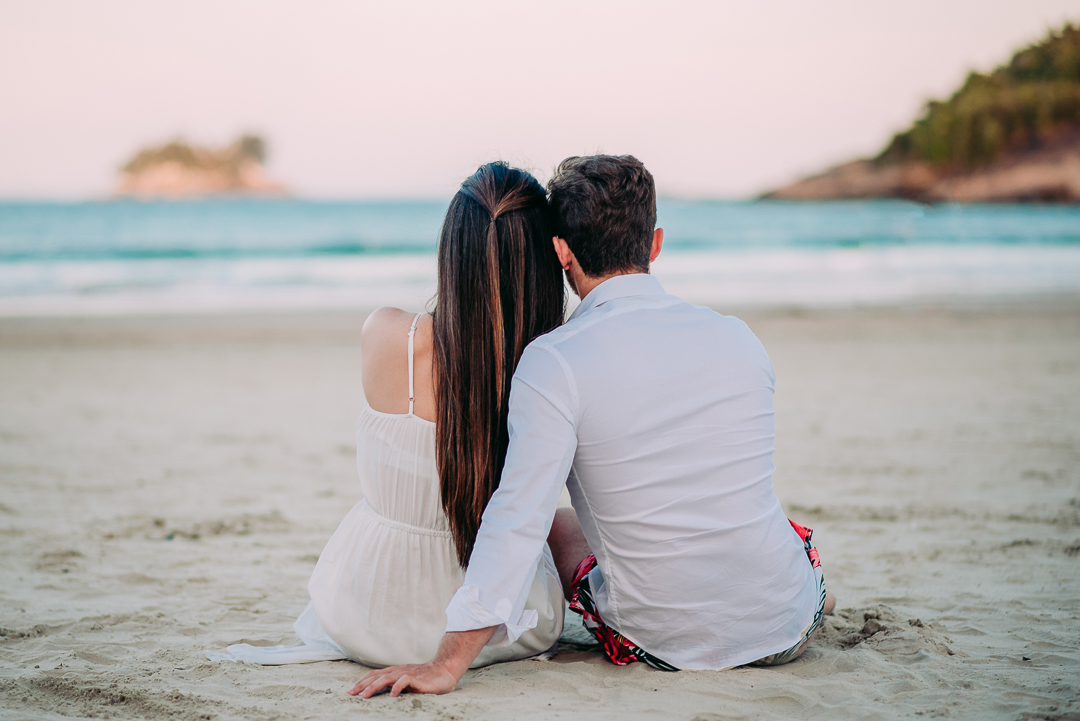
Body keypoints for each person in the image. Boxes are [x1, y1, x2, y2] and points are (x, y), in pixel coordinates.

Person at [350, 154, 835, 698]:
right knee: (756, 511)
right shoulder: (739, 337)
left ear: (562, 252)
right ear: (654, 244)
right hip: (790, 624)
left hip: (665, 646)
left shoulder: (554, 362)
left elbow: (518, 519)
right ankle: (806, 594)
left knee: (556, 528)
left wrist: (447, 663)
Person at [207, 162, 567, 668]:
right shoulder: (553, 361)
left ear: (451, 251)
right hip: (501, 629)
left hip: (365, 616)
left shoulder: (388, 334)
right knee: (560, 524)